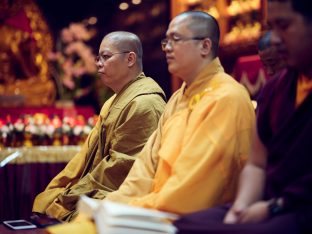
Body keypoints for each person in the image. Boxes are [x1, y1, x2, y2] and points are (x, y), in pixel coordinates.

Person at [174, 0, 312, 233]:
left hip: (301, 209)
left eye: (284, 26)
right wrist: (240, 208)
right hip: (266, 201)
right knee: (183, 224)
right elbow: (256, 164)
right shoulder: (275, 88)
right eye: (272, 27)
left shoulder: (227, 94)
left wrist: (273, 208)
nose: (275, 39)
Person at [104, 11, 255, 214]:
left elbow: (190, 191)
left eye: (175, 39)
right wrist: (113, 205)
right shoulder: (177, 98)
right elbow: (145, 168)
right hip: (151, 209)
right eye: (166, 41)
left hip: (192, 220)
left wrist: (132, 209)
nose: (167, 48)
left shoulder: (227, 98)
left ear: (205, 46)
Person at [32, 31, 166, 221]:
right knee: (51, 199)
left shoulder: (145, 103)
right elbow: (84, 158)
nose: (98, 63)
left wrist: (71, 195)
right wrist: (64, 189)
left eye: (106, 56)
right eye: (98, 57)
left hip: (123, 192)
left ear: (130, 59)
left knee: (72, 212)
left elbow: (122, 169)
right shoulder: (112, 101)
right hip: (99, 186)